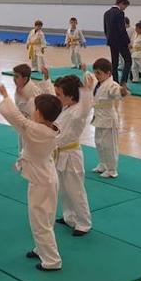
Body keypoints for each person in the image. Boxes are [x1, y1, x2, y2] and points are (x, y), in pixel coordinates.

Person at [0, 82, 63, 271]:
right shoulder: (52, 127)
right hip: (47, 175)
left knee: (40, 220)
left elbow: (18, 119)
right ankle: (42, 249)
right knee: (46, 218)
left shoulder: (36, 130)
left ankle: (51, 260)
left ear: (39, 114)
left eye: (35, 109)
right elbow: (25, 118)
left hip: (41, 180)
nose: (32, 112)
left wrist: (5, 96)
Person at [53, 74, 93, 236]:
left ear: (70, 96)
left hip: (72, 155)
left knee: (75, 190)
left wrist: (86, 91)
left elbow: (86, 107)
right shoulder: (66, 108)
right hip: (60, 154)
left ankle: (84, 223)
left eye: (59, 95)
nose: (56, 98)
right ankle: (69, 216)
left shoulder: (78, 111)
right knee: (63, 189)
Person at [88, 58, 128, 178]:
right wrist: (85, 71)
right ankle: (103, 164)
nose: (96, 75)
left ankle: (111, 169)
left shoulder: (112, 85)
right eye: (95, 72)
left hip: (109, 119)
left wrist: (123, 91)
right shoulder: (98, 83)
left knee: (109, 145)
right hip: (98, 117)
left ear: (108, 73)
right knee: (99, 143)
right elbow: (90, 79)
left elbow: (117, 92)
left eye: (99, 73)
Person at [103, 0, 131, 86]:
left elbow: (105, 29)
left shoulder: (106, 13)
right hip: (121, 41)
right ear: (121, 3)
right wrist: (128, 41)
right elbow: (122, 29)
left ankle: (115, 82)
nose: (124, 9)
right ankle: (123, 81)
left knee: (114, 63)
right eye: (125, 6)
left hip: (111, 41)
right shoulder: (119, 13)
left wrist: (109, 39)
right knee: (128, 60)